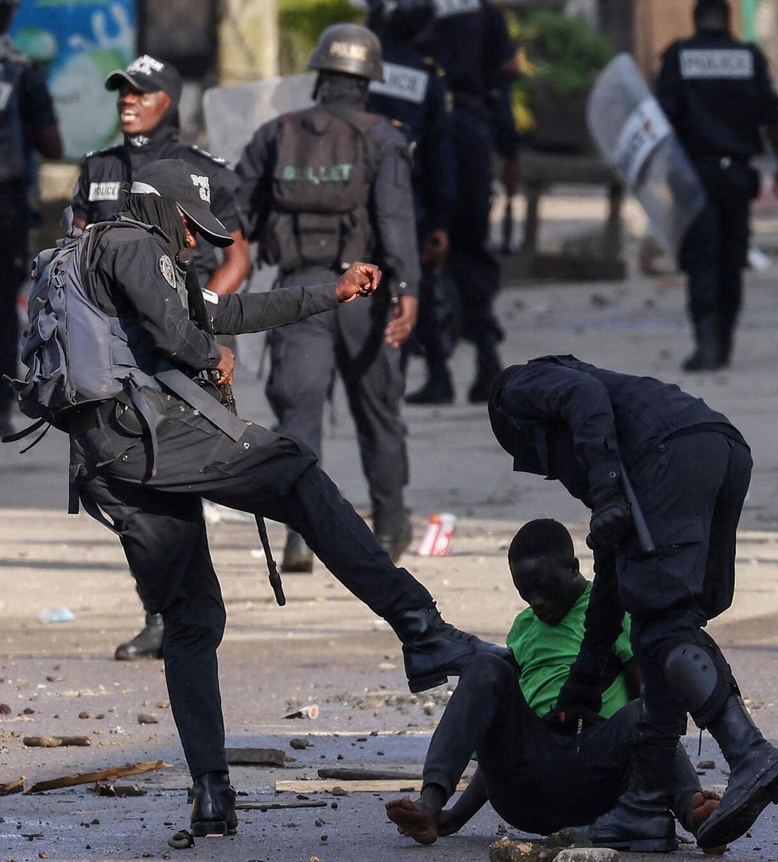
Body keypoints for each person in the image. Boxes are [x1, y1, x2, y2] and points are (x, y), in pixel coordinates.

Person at [46, 157, 507, 836]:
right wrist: (210, 356)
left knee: (191, 619)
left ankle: (211, 793)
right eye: (191, 227)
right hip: (147, 442)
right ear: (162, 209)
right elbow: (183, 334)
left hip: (109, 461)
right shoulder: (135, 244)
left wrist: (331, 293)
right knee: (293, 471)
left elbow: (227, 310)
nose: (196, 243)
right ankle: (422, 630)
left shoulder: (114, 255)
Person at [487, 355, 778, 852]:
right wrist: (584, 682)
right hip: (719, 446)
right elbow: (613, 574)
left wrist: (606, 488)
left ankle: (749, 753)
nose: (553, 471)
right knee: (656, 621)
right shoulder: (617, 437)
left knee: (662, 625)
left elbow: (582, 396)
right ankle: (645, 808)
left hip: (671, 454)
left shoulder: (520, 389)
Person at [385, 519, 724, 853]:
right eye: (525, 593)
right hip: (525, 791)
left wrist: (649, 802)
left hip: (595, 774)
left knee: (649, 713)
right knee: (485, 666)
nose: (537, 601)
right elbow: (504, 735)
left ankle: (696, 815)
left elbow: (651, 715)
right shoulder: (523, 628)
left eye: (545, 588)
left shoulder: (611, 607)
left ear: (574, 567)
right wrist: (455, 817)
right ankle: (430, 803)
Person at [71, 53, 252, 661]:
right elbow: (75, 255)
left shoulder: (202, 172)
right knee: (122, 485)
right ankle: (159, 610)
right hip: (110, 356)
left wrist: (192, 317)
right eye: (121, 91)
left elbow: (237, 258)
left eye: (139, 92)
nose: (127, 100)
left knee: (174, 476)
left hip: (178, 347)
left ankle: (185, 612)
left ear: (167, 100)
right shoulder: (97, 167)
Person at [236, 23, 419, 573]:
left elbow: (237, 215)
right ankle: (389, 531)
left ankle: (300, 537)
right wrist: (407, 290)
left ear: (320, 75)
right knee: (378, 414)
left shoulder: (277, 133)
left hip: (298, 293)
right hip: (365, 292)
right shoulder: (384, 137)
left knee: (298, 417)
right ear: (368, 80)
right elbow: (394, 220)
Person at [656, 0, 778, 371]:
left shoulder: (678, 57)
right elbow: (774, 117)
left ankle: (707, 345)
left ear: (695, 20)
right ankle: (724, 341)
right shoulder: (748, 57)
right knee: (731, 259)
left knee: (702, 258)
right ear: (729, 20)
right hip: (737, 177)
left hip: (695, 176)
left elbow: (659, 121)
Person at [414, 0, 521, 403]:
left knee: (422, 248)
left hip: (422, 135)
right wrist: (510, 151)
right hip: (473, 133)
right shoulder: (485, 12)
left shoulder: (404, 6)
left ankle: (438, 373)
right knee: (471, 248)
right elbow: (503, 81)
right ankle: (487, 361)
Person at [366, 0, 459, 405]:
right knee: (412, 284)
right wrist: (440, 222)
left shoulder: (358, 68)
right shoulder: (427, 77)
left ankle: (385, 381)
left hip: (358, 199)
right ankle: (422, 376)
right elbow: (441, 158)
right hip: (410, 199)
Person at [0, 0, 62, 436]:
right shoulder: (21, 71)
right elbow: (52, 144)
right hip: (6, 205)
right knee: (4, 308)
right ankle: (1, 408)